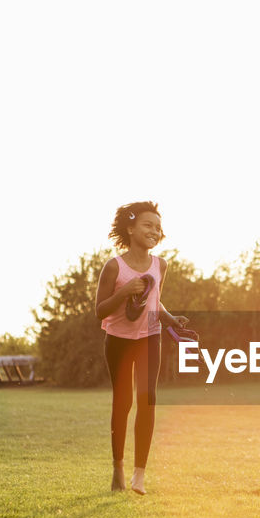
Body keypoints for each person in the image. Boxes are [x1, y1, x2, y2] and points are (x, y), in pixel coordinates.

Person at [95, 201, 188, 494]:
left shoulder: (161, 265)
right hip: (119, 340)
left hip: (150, 335)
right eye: (148, 225)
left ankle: (140, 476)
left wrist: (173, 320)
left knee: (148, 400)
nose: (154, 231)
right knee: (123, 403)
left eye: (158, 227)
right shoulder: (114, 266)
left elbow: (154, 301)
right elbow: (100, 310)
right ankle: (118, 469)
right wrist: (124, 291)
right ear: (131, 227)